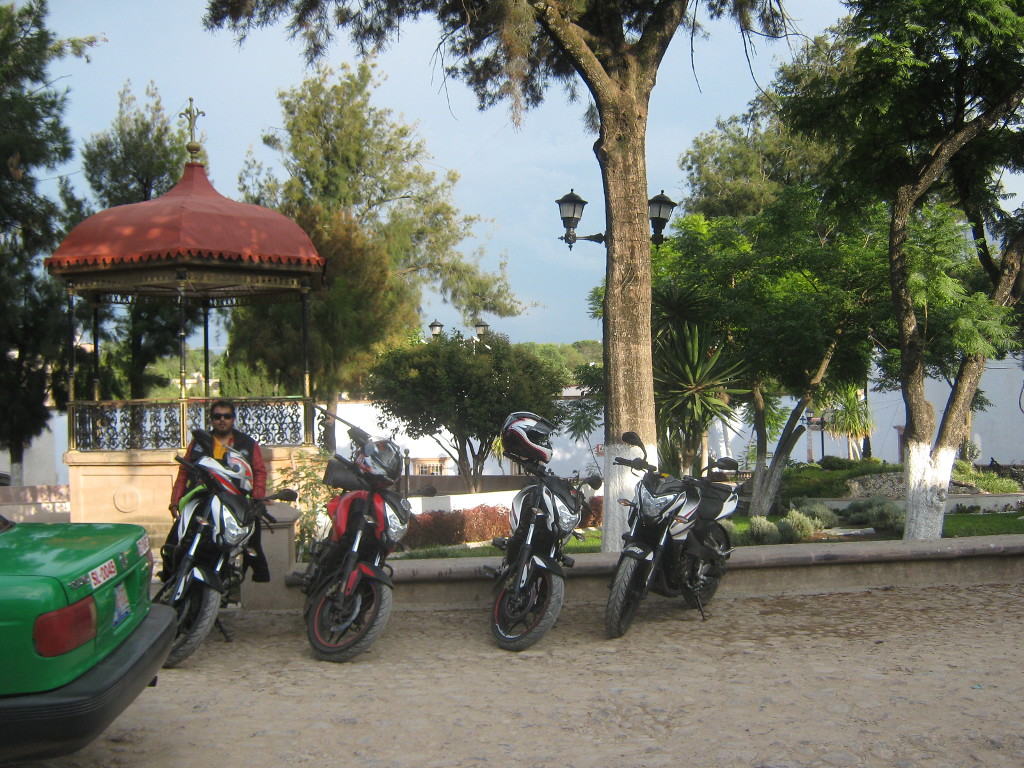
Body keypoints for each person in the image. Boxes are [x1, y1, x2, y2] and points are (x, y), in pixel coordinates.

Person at [160, 400, 270, 583]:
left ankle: (253, 575)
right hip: (203, 497)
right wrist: (175, 500)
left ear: (233, 419)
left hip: (234, 499)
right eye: (217, 416)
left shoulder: (247, 443)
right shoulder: (199, 442)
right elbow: (184, 472)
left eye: (227, 416)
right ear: (211, 419)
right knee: (177, 537)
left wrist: (256, 496)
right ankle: (170, 577)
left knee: (251, 536)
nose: (222, 420)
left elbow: (259, 471)